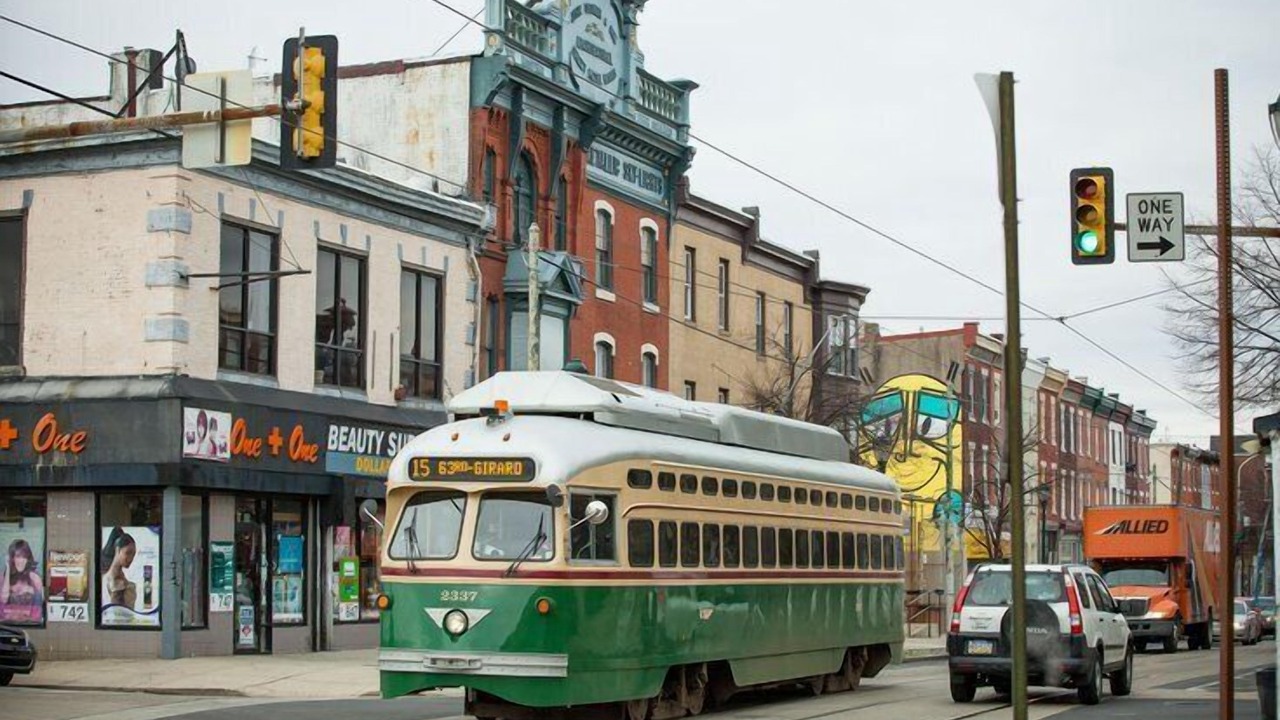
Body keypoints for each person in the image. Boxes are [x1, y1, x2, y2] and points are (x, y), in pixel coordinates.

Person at [0, 539, 44, 622]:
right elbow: (3, 599)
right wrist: (8, 568)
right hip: (6, 624)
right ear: (12, 558)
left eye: (24, 557)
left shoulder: (35, 578)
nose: (21, 561)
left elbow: (38, 606)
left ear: (28, 559)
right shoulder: (3, 577)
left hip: (30, 623)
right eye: (18, 556)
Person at [101, 527, 137, 611]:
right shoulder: (114, 578)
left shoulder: (120, 577)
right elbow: (118, 612)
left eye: (133, 554)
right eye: (127, 553)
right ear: (118, 550)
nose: (130, 558)